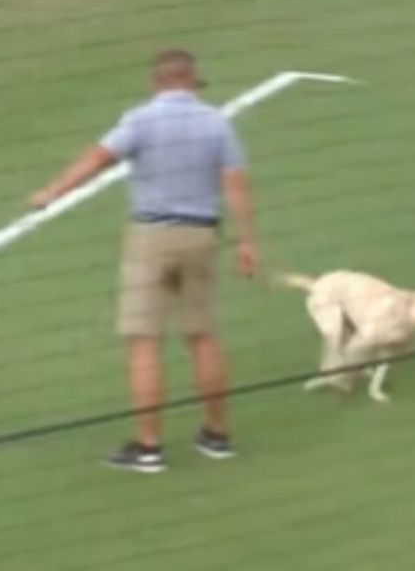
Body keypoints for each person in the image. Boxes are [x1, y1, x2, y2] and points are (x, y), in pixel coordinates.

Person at [29, 49, 257, 474]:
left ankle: (149, 447)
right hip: (201, 235)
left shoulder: (141, 120)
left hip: (150, 238)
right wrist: (247, 241)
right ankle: (216, 435)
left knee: (143, 341)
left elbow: (97, 159)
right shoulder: (216, 123)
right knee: (202, 337)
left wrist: (51, 192)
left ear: (157, 82)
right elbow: (236, 185)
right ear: (191, 81)